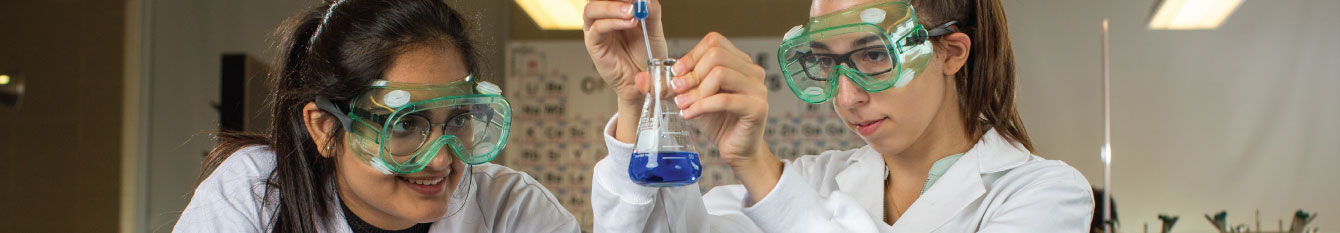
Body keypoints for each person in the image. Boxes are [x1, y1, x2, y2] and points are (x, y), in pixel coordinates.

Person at [582, 0, 1094, 232]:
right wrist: (643, 95)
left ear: (950, 53)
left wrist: (759, 167)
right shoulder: (812, 181)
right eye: (826, 62)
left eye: (873, 55)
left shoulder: (1043, 194)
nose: (846, 97)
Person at [173, 0, 579, 232]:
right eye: (403, 124)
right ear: (324, 127)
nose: (440, 160)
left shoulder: (510, 206)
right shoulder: (258, 192)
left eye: (458, 119)